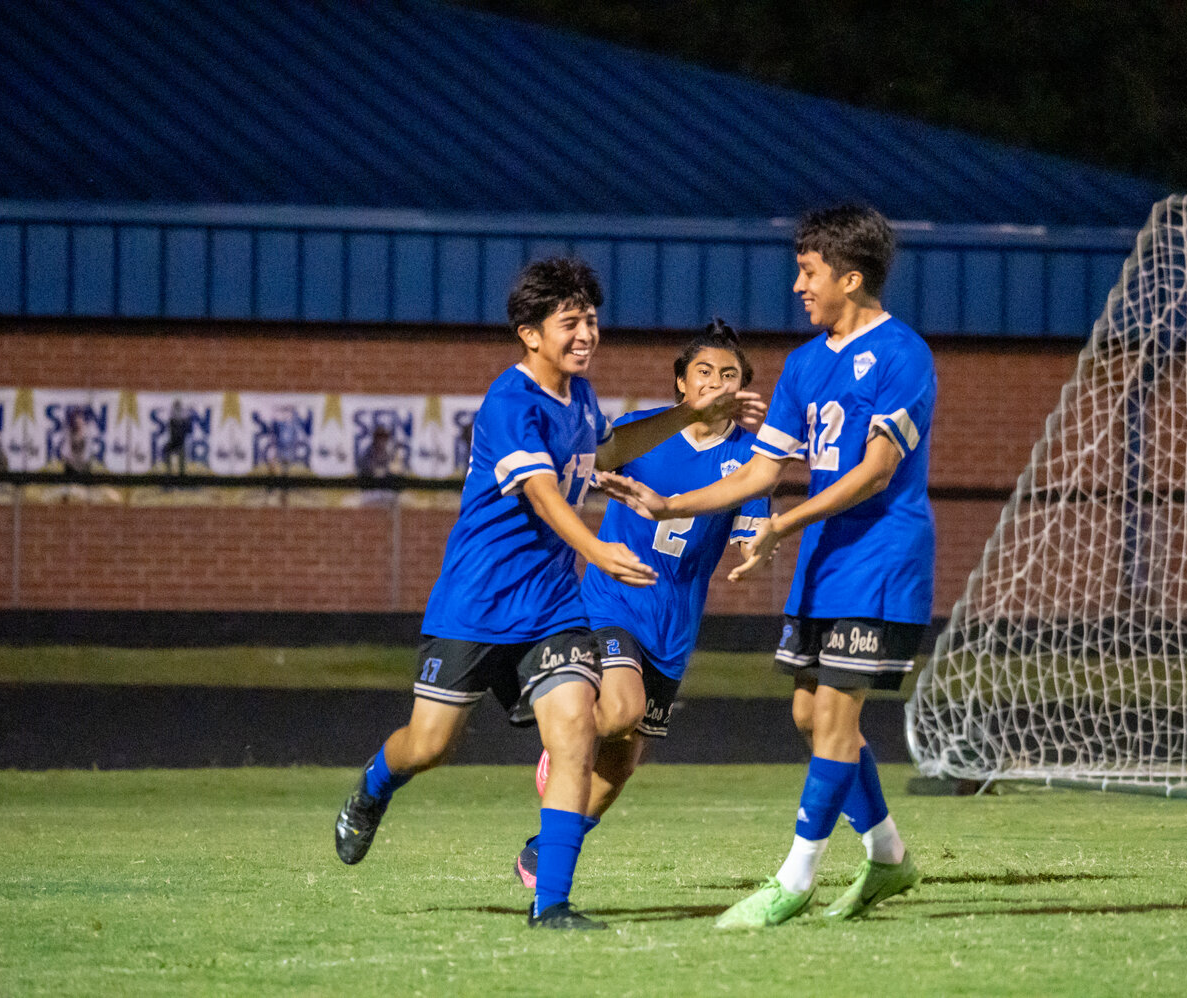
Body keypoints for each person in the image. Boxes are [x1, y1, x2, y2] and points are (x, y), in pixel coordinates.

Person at [331, 257, 764, 931]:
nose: (586, 332)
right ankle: (373, 788)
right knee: (430, 744)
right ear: (530, 334)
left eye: (591, 318)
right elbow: (539, 493)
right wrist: (596, 550)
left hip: (554, 608)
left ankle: (551, 904)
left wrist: (688, 411)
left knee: (575, 738)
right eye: (570, 322)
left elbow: (613, 450)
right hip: (477, 602)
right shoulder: (511, 402)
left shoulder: (582, 399)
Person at [600, 204, 935, 928]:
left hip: (880, 560)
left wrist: (784, 522)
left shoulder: (904, 353)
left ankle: (796, 878)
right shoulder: (807, 363)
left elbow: (877, 471)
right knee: (810, 716)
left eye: (809, 272)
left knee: (837, 719)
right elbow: (758, 471)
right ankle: (888, 856)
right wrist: (669, 505)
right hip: (825, 560)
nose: (797, 285)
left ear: (851, 277)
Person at [513, 319, 772, 890]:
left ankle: (542, 848)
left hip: (674, 626)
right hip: (614, 601)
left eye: (729, 375)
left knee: (620, 768)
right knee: (622, 709)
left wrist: (758, 547)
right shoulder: (640, 435)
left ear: (744, 389)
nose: (715, 382)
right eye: (703, 372)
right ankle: (565, 738)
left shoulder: (753, 460)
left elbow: (751, 530)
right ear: (681, 383)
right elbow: (571, 472)